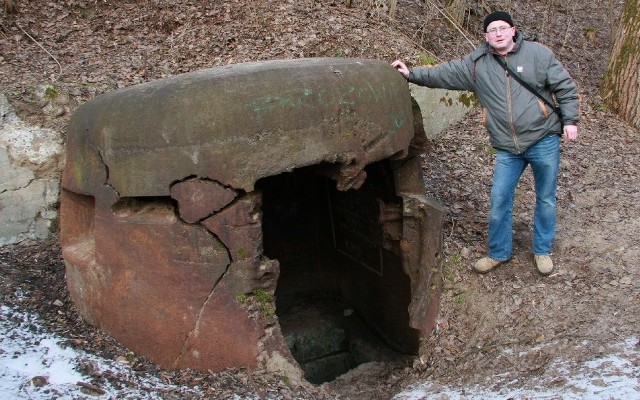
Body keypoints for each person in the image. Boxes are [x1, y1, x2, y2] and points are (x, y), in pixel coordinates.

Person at [392, 11, 579, 276]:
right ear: (485, 36)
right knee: (499, 199)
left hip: (542, 138)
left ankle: (542, 250)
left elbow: (565, 88)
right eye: (492, 30)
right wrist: (411, 74)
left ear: (513, 30)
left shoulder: (538, 54)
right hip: (507, 147)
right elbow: (445, 74)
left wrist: (570, 120)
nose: (498, 33)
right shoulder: (477, 64)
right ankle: (499, 252)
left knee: (545, 198)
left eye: (503, 28)